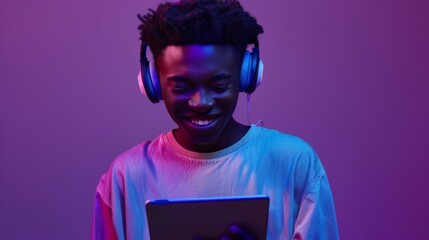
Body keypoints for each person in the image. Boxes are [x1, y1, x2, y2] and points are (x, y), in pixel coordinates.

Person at [92, 0, 339, 239]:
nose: (201, 103)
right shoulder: (124, 177)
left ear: (246, 77)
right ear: (154, 84)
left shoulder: (295, 164)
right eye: (180, 87)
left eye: (219, 85)